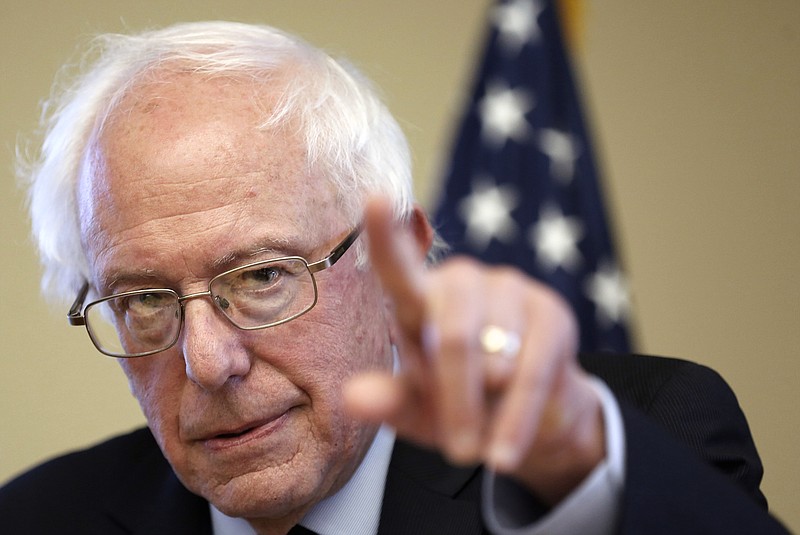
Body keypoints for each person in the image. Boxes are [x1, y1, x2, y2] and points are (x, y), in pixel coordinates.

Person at [0, 21, 789, 535]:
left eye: (264, 275)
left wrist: (587, 486)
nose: (208, 361)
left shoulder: (624, 449)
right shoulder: (38, 518)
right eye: (145, 300)